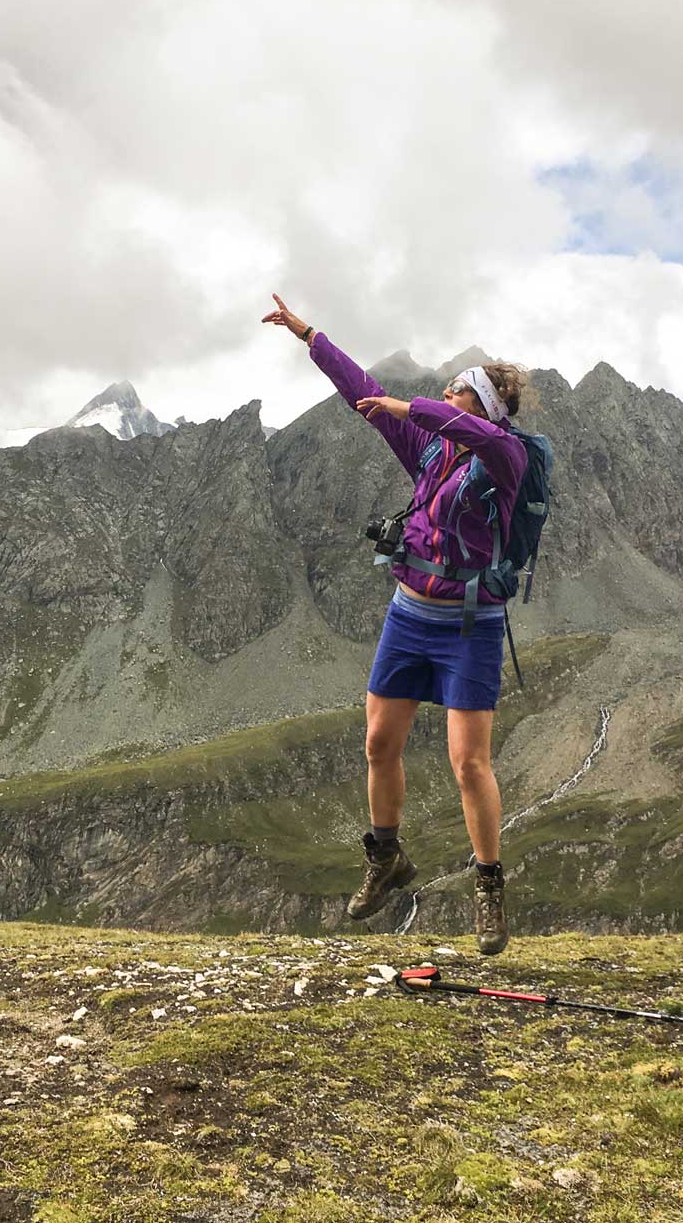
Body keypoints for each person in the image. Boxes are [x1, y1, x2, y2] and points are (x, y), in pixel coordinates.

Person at [262, 293, 530, 955]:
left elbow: (479, 433)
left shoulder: (504, 459)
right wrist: (310, 335)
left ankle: (489, 887)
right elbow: (362, 392)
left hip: (471, 624)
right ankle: (386, 858)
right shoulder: (431, 452)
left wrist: (412, 408)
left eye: (457, 389)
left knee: (468, 762)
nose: (443, 392)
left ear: (482, 406)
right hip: (410, 614)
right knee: (379, 742)